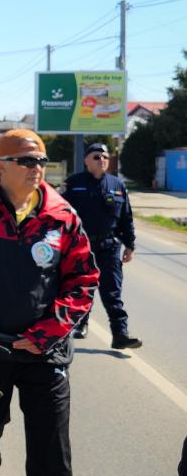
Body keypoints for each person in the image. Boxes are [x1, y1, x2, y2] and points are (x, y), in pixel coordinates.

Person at [0, 129, 99, 476]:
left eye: (41, 160)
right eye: (26, 160)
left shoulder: (62, 216)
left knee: (52, 455)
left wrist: (45, 335)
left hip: (45, 352)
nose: (37, 167)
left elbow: (83, 281)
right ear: (0, 165)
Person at [61, 143, 141, 348]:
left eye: (105, 157)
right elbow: (60, 214)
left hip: (109, 246)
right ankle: (81, 324)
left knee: (112, 291)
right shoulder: (73, 183)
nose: (102, 160)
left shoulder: (117, 185)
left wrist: (130, 244)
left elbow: (126, 217)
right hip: (81, 245)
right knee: (81, 288)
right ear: (86, 160)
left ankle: (120, 334)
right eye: (96, 157)